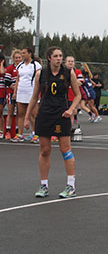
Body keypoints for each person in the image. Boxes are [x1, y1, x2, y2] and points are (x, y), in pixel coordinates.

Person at [24, 46, 81, 199]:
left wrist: (71, 109)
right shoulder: (40, 74)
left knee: (65, 149)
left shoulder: (69, 73)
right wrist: (26, 117)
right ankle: (44, 186)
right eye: (56, 56)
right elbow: (34, 97)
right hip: (45, 114)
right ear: (49, 57)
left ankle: (71, 186)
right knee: (44, 150)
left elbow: (78, 95)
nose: (59, 58)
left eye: (60, 55)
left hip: (61, 114)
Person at [12, 47, 42, 143]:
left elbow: (39, 79)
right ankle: (20, 134)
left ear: (29, 54)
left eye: (24, 53)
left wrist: (37, 93)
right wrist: (15, 92)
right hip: (21, 92)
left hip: (31, 92)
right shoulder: (20, 65)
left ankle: (35, 134)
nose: (22, 55)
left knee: (33, 114)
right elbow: (18, 79)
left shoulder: (36, 65)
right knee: (20, 114)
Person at [4, 49, 22, 139]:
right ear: (13, 58)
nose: (18, 59)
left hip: (21, 94)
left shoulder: (23, 68)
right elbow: (7, 81)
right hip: (11, 93)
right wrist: (14, 88)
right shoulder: (10, 68)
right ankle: (7, 131)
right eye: (16, 58)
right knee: (10, 112)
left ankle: (17, 132)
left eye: (19, 57)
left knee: (19, 113)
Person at [0, 53, 5, 139]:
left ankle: (1, 130)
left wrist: (1, 64)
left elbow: (2, 72)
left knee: (0, 112)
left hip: (1, 92)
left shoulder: (4, 68)